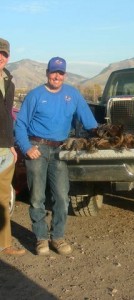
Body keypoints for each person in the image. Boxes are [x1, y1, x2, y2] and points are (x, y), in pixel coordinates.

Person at [15, 57, 98, 255]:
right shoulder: (35, 95)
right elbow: (20, 124)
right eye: (53, 72)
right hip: (37, 148)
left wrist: (102, 135)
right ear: (47, 73)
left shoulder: (72, 94)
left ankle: (57, 237)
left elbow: (89, 121)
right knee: (37, 197)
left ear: (65, 75)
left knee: (62, 197)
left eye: (60, 73)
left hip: (60, 150)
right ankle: (41, 238)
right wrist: (26, 147)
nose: (57, 76)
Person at [0, 37, 26, 256]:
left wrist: (11, 146)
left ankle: (5, 244)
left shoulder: (9, 81)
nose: (0, 57)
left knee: (3, 199)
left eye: (4, 54)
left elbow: (8, 116)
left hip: (4, 150)